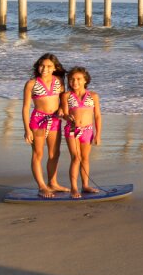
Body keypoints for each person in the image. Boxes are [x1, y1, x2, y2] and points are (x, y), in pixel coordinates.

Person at [22, 53, 69, 198]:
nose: (45, 68)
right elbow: (25, 107)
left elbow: (63, 100)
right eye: (42, 65)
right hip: (38, 121)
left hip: (54, 120)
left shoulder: (59, 81)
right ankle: (42, 186)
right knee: (38, 154)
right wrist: (27, 129)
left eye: (49, 66)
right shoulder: (32, 83)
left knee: (54, 153)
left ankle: (52, 182)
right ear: (38, 66)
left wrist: (62, 109)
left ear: (55, 68)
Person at [61, 67, 103, 198]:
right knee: (75, 158)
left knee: (85, 158)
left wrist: (98, 134)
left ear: (85, 80)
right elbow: (65, 114)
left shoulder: (93, 96)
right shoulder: (66, 96)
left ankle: (85, 185)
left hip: (88, 131)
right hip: (72, 130)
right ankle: (74, 187)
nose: (75, 82)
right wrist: (68, 118)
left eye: (78, 79)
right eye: (72, 79)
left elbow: (97, 116)